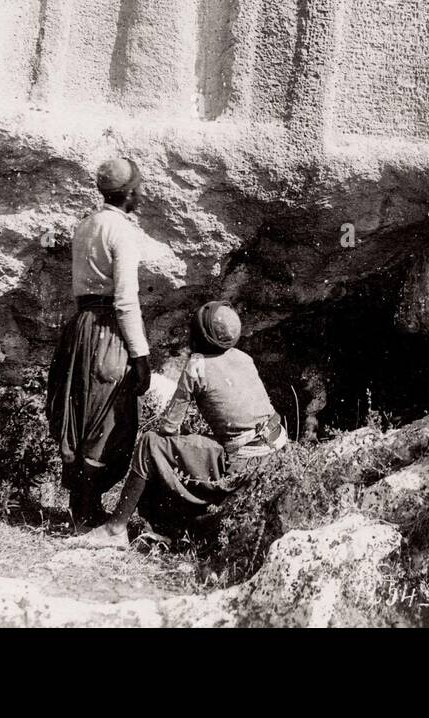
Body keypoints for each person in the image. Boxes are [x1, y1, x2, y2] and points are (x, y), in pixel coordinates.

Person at [80, 301, 287, 548]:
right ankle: (170, 526)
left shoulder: (197, 366)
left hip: (243, 461)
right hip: (278, 451)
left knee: (150, 444)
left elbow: (168, 427)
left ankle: (115, 528)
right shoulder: (244, 358)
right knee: (185, 444)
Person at [46, 157, 151, 530]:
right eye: (139, 187)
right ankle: (87, 512)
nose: (142, 192)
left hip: (81, 328)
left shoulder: (84, 226)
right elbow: (125, 300)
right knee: (109, 422)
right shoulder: (122, 231)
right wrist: (140, 355)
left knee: (81, 414)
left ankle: (81, 509)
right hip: (108, 330)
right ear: (129, 192)